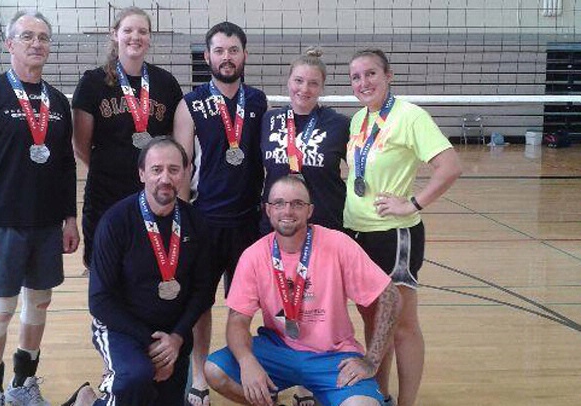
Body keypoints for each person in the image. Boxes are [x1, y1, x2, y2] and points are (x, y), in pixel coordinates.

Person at [0, 10, 79, 406]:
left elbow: (64, 165)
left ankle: (24, 386)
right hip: (1, 223)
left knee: (39, 303)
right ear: (10, 44)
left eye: (43, 37)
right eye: (27, 36)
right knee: (0, 310)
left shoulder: (57, 102)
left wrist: (70, 218)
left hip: (45, 225)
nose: (36, 43)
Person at [204, 175, 401, 406]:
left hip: (332, 356)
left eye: (297, 204)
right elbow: (237, 320)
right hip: (278, 350)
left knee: (362, 405)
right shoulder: (254, 255)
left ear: (310, 211)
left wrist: (372, 361)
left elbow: (391, 295)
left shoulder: (338, 244)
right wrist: (247, 361)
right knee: (215, 371)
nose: (287, 211)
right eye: (279, 203)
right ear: (268, 210)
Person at [344, 49, 462, 406]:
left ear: (388, 75)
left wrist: (411, 203)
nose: (363, 83)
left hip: (394, 235)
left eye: (371, 74)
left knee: (403, 324)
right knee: (374, 322)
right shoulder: (359, 120)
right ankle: (381, 395)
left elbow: (450, 166)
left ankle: (406, 402)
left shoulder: (410, 116)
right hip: (357, 232)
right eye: (356, 77)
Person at [65, 137, 216, 406]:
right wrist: (151, 345)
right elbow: (99, 301)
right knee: (136, 377)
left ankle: (88, 400)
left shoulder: (197, 223)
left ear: (186, 172)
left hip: (174, 334)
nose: (165, 178)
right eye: (157, 170)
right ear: (142, 173)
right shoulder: (115, 222)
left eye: (173, 169)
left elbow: (203, 292)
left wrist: (177, 338)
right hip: (122, 327)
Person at [173, 21, 268, 406]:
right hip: (204, 221)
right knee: (199, 304)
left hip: (249, 223)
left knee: (245, 304)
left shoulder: (259, 102)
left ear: (244, 55)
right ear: (207, 56)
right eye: (219, 51)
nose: (226, 57)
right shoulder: (190, 104)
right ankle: (198, 375)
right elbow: (181, 168)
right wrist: (180, 222)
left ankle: (249, 366)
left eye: (233, 50)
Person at [72, 6, 183, 271]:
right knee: (104, 272)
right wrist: (111, 168)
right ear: (115, 35)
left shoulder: (165, 83)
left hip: (153, 195)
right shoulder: (93, 83)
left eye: (142, 31)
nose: (136, 37)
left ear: (149, 38)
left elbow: (172, 142)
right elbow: (81, 145)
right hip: (104, 196)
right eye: (128, 30)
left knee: (148, 271)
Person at [260, 47, 349, 236]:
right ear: (288, 81)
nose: (304, 89)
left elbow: (365, 170)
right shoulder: (268, 120)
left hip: (325, 226)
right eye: (298, 81)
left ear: (322, 87)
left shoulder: (339, 124)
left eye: (313, 83)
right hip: (277, 227)